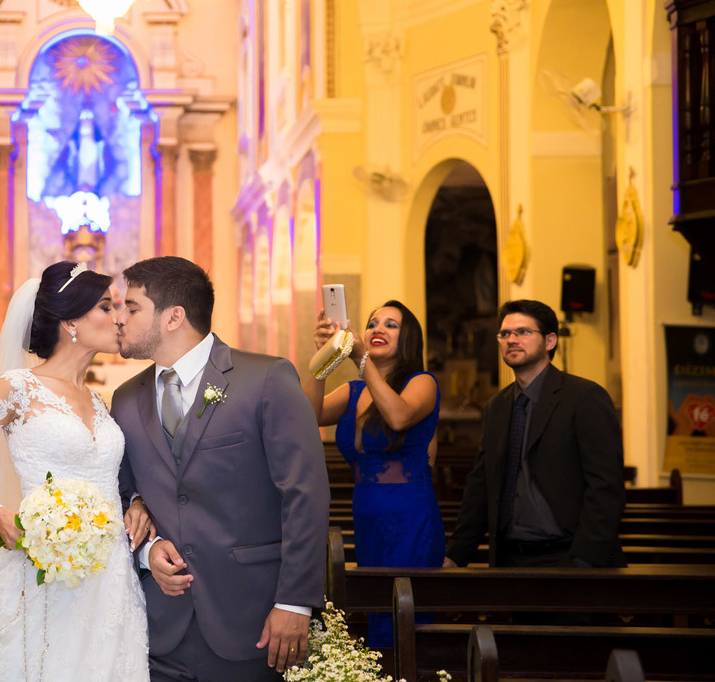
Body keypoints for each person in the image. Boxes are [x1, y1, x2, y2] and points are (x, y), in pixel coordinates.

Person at [0, 261, 155, 681]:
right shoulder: (16, 387)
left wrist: (138, 502)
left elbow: (118, 478)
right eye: (106, 306)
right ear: (70, 322)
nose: (118, 317)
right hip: (45, 567)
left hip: (110, 576)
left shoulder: (100, 402)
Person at [112, 256, 329, 681]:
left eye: (132, 307)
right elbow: (118, 493)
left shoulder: (265, 379)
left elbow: (305, 493)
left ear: (173, 317)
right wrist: (145, 550)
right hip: (159, 626)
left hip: (253, 619)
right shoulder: (125, 399)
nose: (119, 318)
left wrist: (294, 602)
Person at [444, 299, 625, 569]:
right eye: (505, 334)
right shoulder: (497, 407)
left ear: (550, 341)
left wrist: (585, 559)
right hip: (508, 559)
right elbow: (481, 485)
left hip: (567, 555)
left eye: (523, 332)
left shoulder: (584, 397)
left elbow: (606, 485)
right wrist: (456, 555)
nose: (511, 340)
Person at [308, 300, 442, 647]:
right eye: (372, 323)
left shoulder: (422, 382)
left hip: (410, 517)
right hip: (366, 516)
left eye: (391, 324)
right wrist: (323, 357)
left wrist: (361, 359)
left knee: (407, 617)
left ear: (408, 337)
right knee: (377, 614)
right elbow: (307, 416)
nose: (378, 329)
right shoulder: (354, 392)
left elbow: (398, 417)